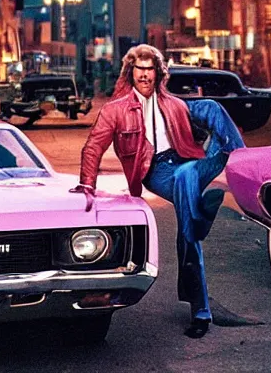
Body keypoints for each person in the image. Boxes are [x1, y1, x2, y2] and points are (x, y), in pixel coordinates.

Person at [72, 44, 244, 338]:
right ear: (131, 72)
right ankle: (201, 308)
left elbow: (201, 125)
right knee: (188, 190)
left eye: (149, 69)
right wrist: (87, 187)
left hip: (187, 164)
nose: (144, 75)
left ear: (158, 73)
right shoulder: (115, 110)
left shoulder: (174, 104)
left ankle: (242, 163)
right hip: (157, 172)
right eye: (139, 69)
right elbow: (93, 148)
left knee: (211, 114)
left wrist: (211, 127)